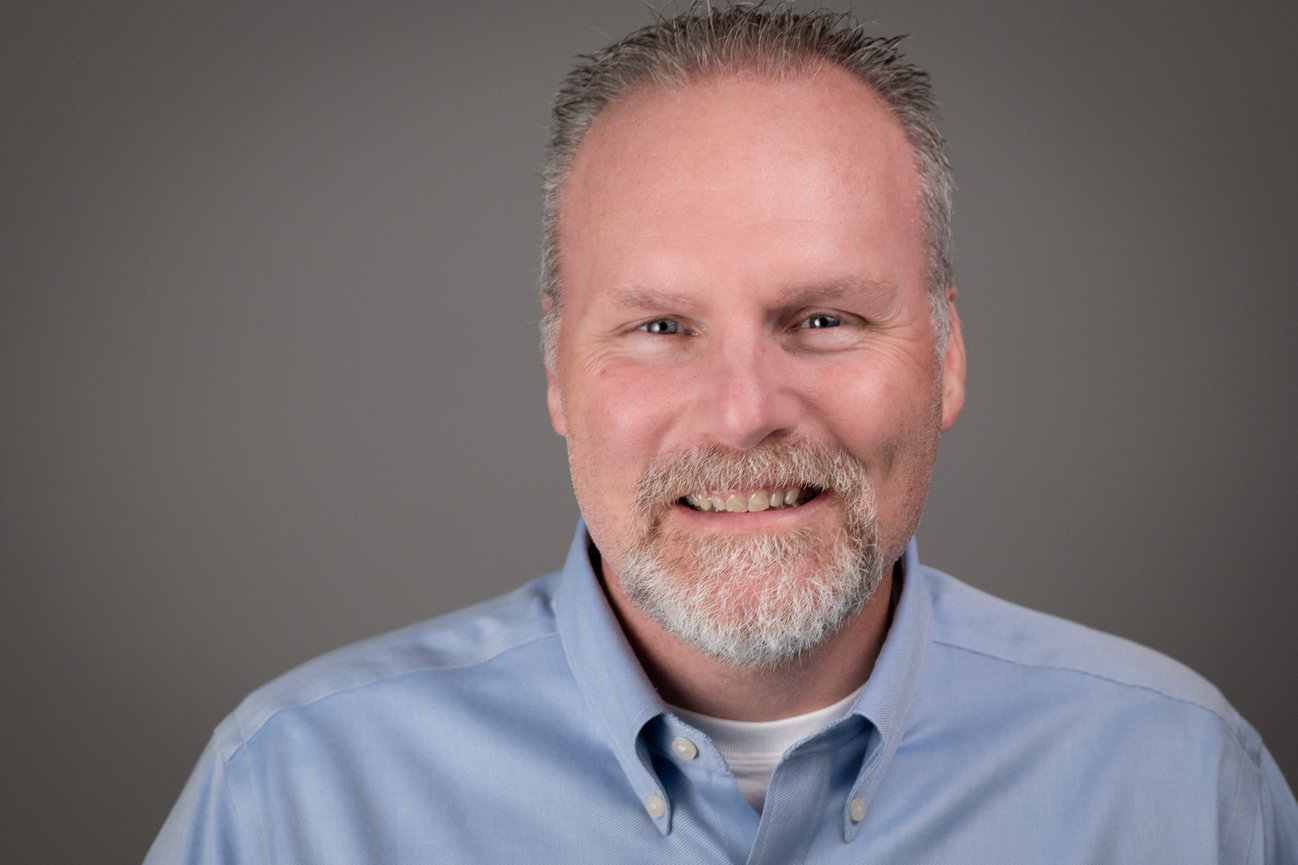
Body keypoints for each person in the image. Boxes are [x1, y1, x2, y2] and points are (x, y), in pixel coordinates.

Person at [145, 4, 1298, 862]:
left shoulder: (1180, 784)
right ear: (555, 372)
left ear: (946, 354)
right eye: (659, 327)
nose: (744, 412)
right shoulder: (295, 796)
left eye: (824, 319)